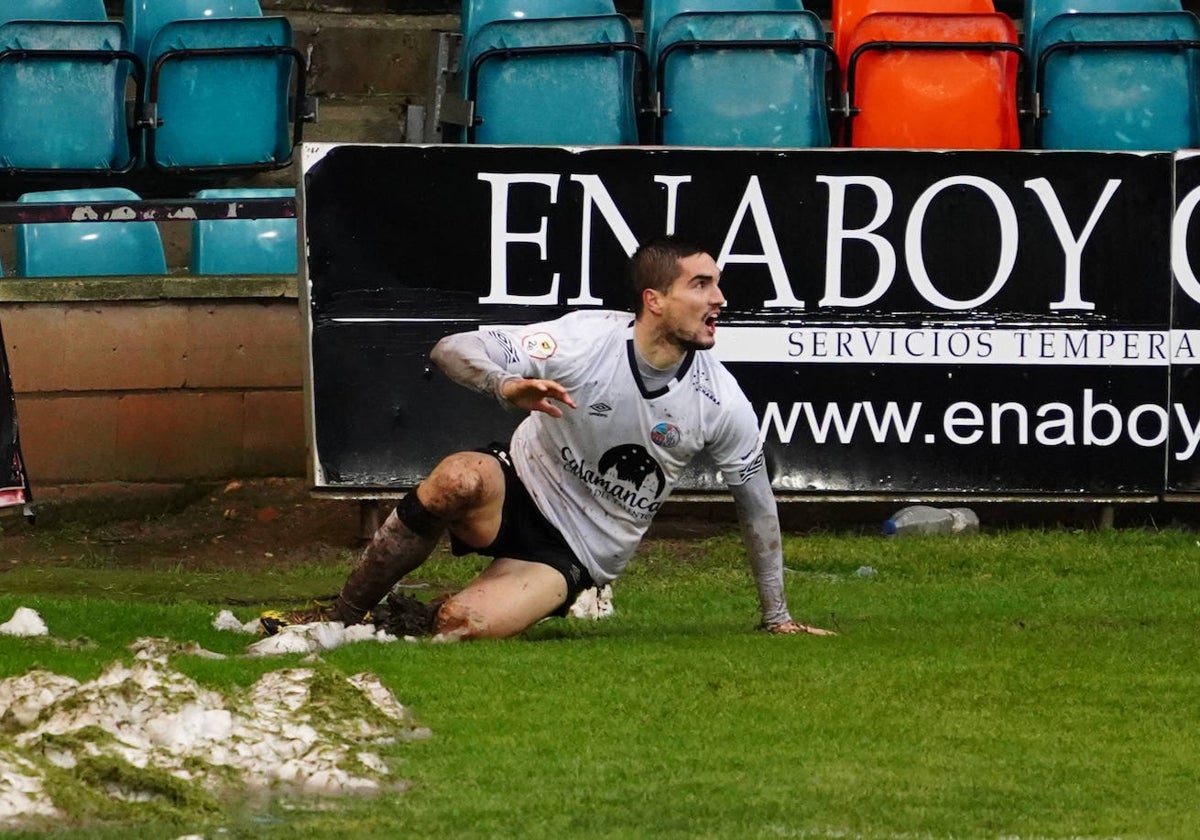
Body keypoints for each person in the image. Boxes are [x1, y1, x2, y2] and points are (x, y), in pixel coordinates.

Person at [311, 235, 833, 640]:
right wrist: (505, 384)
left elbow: (758, 506)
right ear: (653, 299)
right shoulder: (586, 340)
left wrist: (777, 616)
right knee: (457, 478)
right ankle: (339, 616)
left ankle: (543, 598)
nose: (719, 298)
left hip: (577, 551)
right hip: (517, 486)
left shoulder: (720, 401)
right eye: (701, 284)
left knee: (458, 623)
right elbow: (451, 347)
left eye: (717, 283)